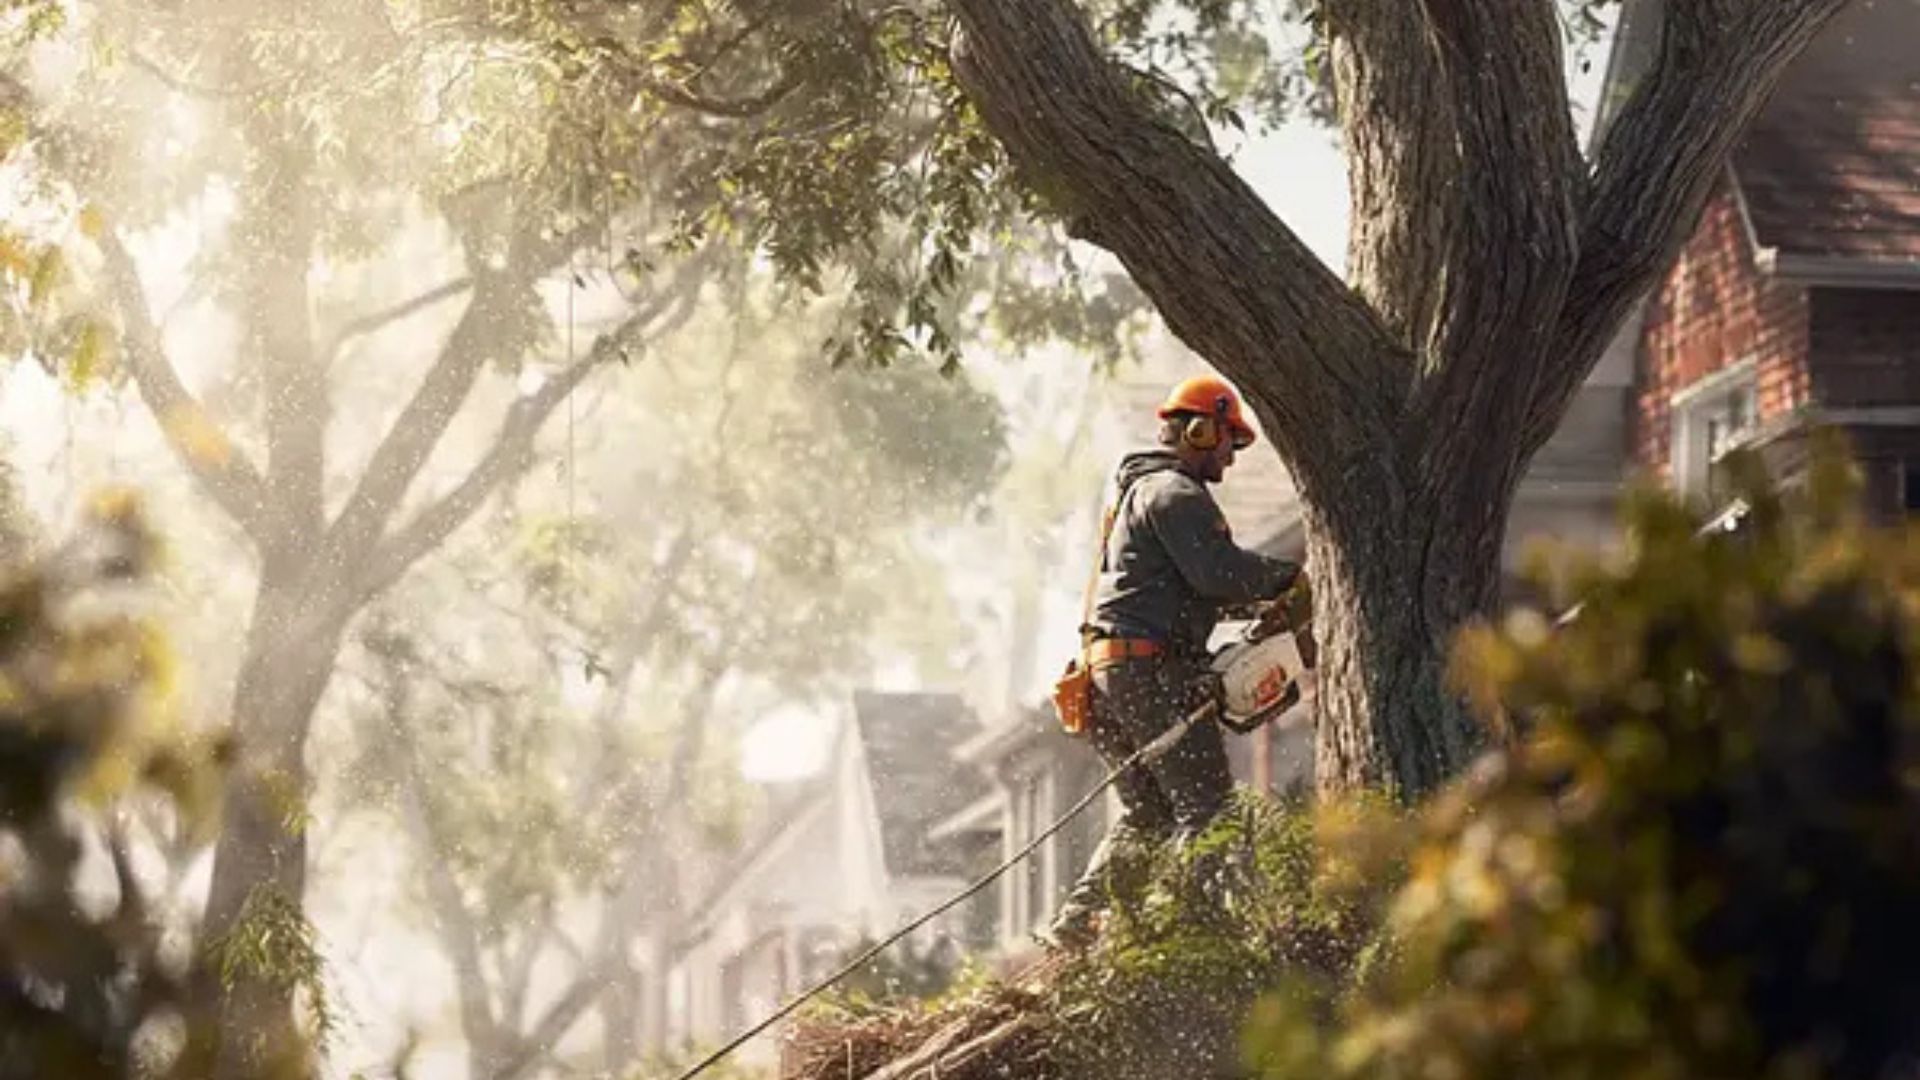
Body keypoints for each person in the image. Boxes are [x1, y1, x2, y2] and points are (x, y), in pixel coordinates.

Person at [1044, 374, 1303, 950]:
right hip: (1147, 671)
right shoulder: (1175, 494)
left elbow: (1193, 590)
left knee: (1151, 814)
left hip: (1110, 674)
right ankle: (1196, 940)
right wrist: (1293, 579)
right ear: (1199, 430)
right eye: (1228, 442)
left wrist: (1262, 605)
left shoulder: (1139, 494)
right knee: (1210, 809)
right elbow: (1218, 573)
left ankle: (1079, 925)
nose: (1231, 458)